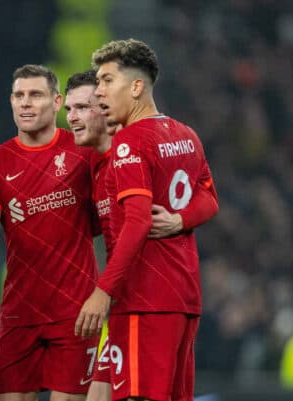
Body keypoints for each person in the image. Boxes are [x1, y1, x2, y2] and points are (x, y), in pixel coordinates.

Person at [75, 39, 218, 401]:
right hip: (184, 297)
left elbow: (137, 222)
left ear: (136, 87)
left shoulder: (130, 143)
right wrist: (180, 220)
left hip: (145, 298)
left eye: (107, 81)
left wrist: (102, 291)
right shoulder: (185, 134)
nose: (100, 91)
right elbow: (209, 198)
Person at [0, 64, 100, 401]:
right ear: (11, 102)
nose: (25, 103)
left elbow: (105, 221)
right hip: (19, 313)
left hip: (73, 313)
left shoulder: (83, 154)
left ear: (56, 103)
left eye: (35, 95)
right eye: (19, 96)